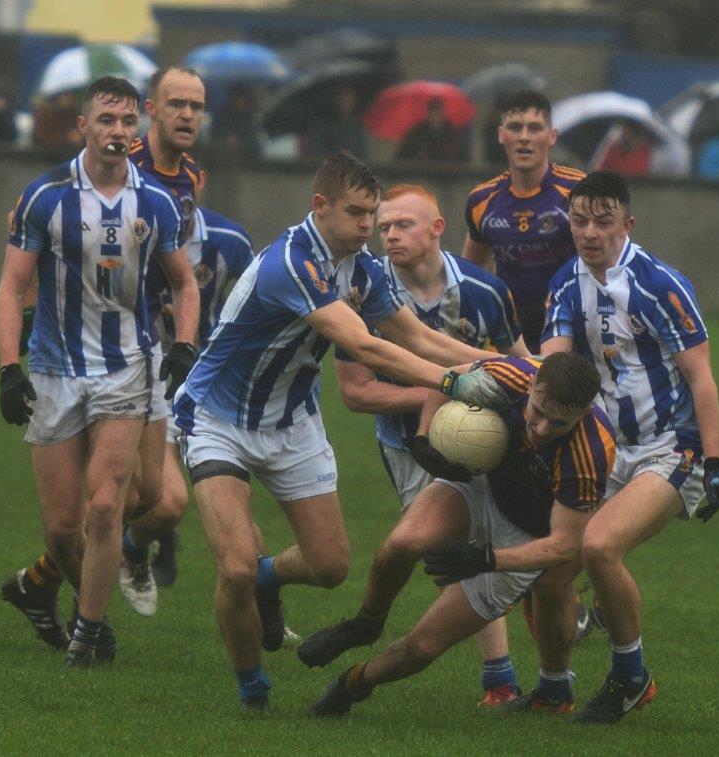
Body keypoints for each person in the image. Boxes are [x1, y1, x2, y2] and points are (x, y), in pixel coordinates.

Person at [174, 154, 497, 708]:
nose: (369, 225)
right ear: (319, 207)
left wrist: (498, 367)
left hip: (292, 420)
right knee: (233, 568)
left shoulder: (363, 268)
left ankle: (271, 580)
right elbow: (369, 347)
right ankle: (253, 688)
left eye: (373, 213)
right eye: (356, 213)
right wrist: (452, 382)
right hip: (217, 417)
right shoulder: (292, 264)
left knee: (330, 567)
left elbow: (416, 337)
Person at [0, 76, 199, 668]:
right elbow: (10, 288)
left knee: (107, 505)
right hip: (56, 370)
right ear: (82, 126)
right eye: (106, 120)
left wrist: (182, 346)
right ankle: (61, 593)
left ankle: (88, 632)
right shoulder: (46, 195)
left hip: (127, 368)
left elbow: (185, 284)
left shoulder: (154, 202)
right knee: (62, 528)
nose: (117, 132)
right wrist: (11, 367)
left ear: (138, 131)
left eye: (126, 122)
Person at [304, 183, 530, 707]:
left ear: (436, 228)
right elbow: (357, 394)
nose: (389, 235)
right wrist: (439, 390)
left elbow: (519, 359)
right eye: (383, 227)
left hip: (486, 443)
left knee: (480, 549)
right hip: (409, 448)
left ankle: (502, 677)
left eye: (402, 224)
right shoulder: (361, 292)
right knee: (434, 549)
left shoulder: (484, 289)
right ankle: (383, 630)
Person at [307, 352, 615, 717]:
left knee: (423, 645)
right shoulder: (508, 376)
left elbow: (562, 546)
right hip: (482, 485)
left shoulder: (589, 453)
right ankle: (366, 623)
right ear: (531, 386)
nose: (543, 428)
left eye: (559, 422)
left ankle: (354, 684)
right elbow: (449, 377)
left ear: (581, 415)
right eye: (538, 411)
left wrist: (487, 559)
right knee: (405, 542)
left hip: (529, 533)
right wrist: (423, 436)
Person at [540, 170, 719, 724]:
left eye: (602, 221)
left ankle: (630, 676)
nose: (590, 232)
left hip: (670, 446)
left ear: (627, 224)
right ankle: (554, 688)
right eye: (579, 221)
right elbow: (554, 369)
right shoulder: (564, 284)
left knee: (599, 548)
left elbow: (702, 378)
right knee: (552, 570)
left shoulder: (658, 284)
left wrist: (715, 463)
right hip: (603, 447)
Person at [118, 65, 207, 613]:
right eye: (176, 104)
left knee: (160, 500)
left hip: (151, 340)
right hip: (92, 342)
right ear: (152, 108)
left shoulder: (192, 176)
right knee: (122, 497)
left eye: (196, 106)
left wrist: (184, 338)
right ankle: (63, 590)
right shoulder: (119, 163)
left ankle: (52, 580)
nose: (188, 115)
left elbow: (180, 269)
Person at [462, 90, 585, 353]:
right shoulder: (481, 200)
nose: (524, 137)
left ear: (551, 136)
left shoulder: (578, 191)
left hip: (570, 323)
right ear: (501, 135)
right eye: (515, 127)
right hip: (508, 330)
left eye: (535, 128)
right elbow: (469, 273)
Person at [306, 84, 369, 159]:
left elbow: (364, 153)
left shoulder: (357, 126)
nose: (346, 102)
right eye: (343, 98)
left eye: (349, 98)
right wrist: (336, 155)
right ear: (336, 99)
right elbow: (315, 150)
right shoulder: (322, 124)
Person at [396, 99, 466, 163]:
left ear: (443, 113)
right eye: (432, 112)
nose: (435, 115)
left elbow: (460, 157)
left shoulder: (452, 133)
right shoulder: (416, 132)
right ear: (427, 113)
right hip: (420, 172)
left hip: (448, 173)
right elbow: (404, 155)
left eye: (438, 111)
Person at [211, 84, 262, 160]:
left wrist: (242, 140)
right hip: (223, 147)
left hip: (245, 149)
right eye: (239, 98)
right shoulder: (222, 113)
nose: (241, 102)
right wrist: (226, 137)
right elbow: (215, 131)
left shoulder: (248, 115)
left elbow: (252, 134)